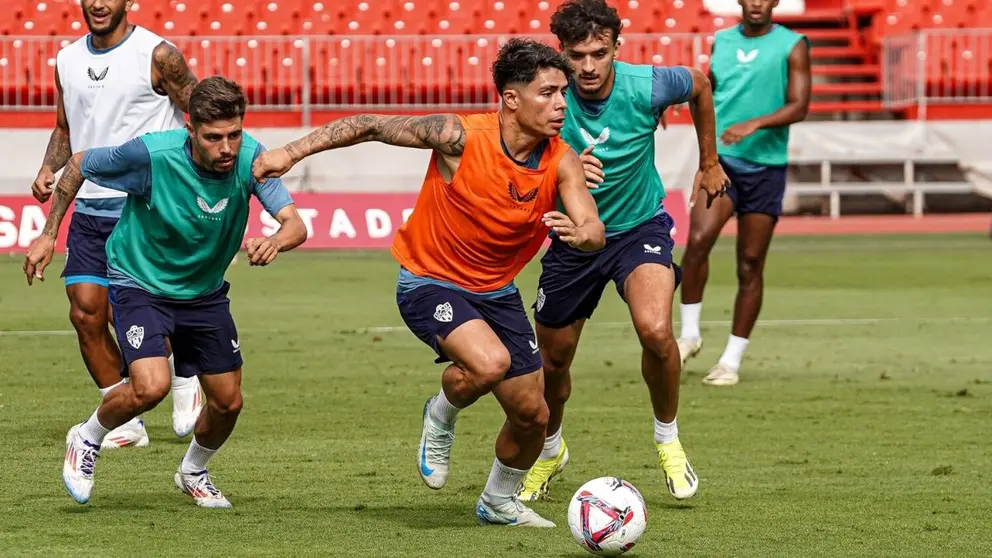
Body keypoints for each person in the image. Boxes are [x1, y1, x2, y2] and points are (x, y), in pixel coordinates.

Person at [253, 39, 606, 527]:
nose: (562, 104)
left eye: (563, 93)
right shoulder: (460, 136)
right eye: (547, 93)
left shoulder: (562, 160)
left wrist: (582, 233)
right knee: (490, 364)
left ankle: (498, 501)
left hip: (496, 291)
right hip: (429, 281)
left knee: (534, 416)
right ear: (510, 98)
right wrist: (289, 153)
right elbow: (371, 125)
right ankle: (440, 415)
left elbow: (593, 228)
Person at [24, 77, 309, 508]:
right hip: (140, 282)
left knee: (229, 403)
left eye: (234, 134)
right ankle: (86, 437)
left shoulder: (253, 158)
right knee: (149, 386)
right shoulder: (151, 155)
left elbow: (295, 224)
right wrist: (49, 234)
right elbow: (79, 163)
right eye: (214, 138)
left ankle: (193, 471)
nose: (227, 148)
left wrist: (276, 239)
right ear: (190, 129)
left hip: (204, 292)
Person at [516, 0, 729, 504]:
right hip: (573, 237)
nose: (587, 67)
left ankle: (668, 440)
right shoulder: (542, 98)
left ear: (617, 47)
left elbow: (699, 83)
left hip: (639, 228)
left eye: (599, 53)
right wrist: (559, 178)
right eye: (576, 55)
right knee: (554, 360)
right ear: (560, 53)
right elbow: (513, 162)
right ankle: (549, 450)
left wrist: (710, 161)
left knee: (656, 331)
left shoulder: (650, 85)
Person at [31, 0, 203, 447]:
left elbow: (202, 119)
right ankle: (125, 418)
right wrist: (50, 168)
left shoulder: (158, 55)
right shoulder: (67, 59)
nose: (99, 3)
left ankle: (186, 367)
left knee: (128, 311)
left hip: (144, 208)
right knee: (85, 311)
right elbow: (66, 128)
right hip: (88, 204)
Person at [677, 0, 811, 386]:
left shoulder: (792, 44)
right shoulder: (721, 41)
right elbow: (706, 95)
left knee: (750, 264)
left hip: (766, 169)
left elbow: (799, 105)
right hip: (723, 162)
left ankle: (730, 362)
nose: (756, 3)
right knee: (698, 241)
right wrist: (705, 159)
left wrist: (755, 123)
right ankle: (689, 335)